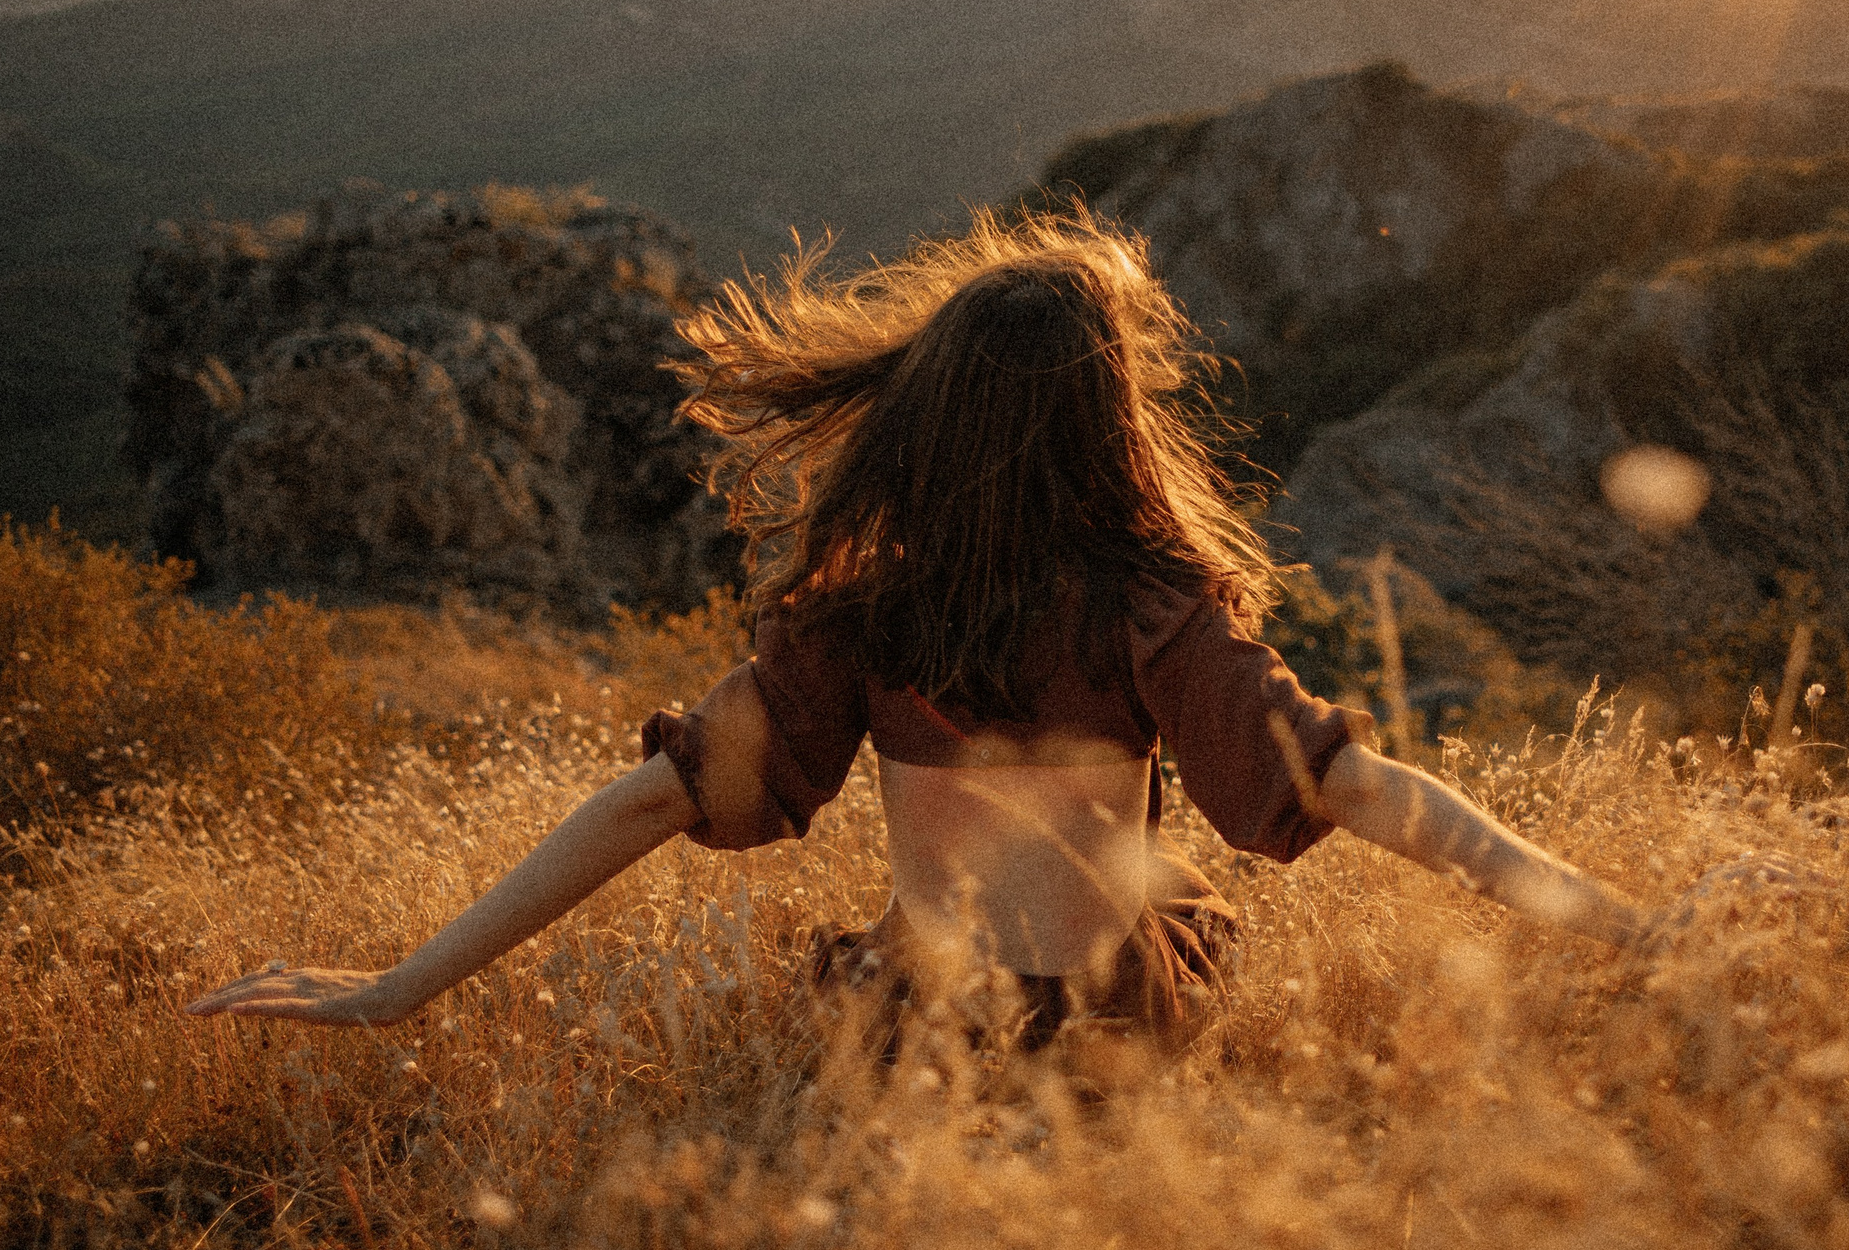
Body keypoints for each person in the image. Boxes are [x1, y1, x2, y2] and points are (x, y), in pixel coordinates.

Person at [185, 211, 1640, 1052]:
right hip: (1120, 1027)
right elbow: (1363, 794)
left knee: (1001, 895)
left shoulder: (860, 618)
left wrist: (396, 990)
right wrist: (1631, 925)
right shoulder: (1149, 606)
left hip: (912, 1030)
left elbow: (647, 800)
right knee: (1172, 880)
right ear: (1110, 422)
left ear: (924, 415)